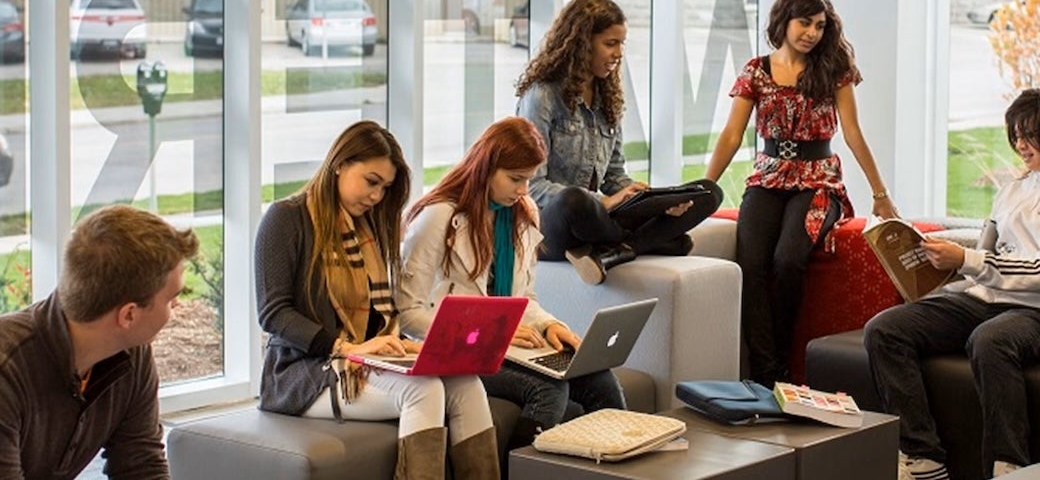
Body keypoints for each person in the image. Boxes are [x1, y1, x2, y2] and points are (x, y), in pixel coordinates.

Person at [863, 87, 1040, 480]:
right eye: (1015, 136)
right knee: (886, 329)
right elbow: (986, 251)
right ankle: (923, 456)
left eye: (1029, 135)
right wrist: (937, 263)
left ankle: (1008, 465)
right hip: (984, 297)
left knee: (991, 339)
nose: (1020, 145)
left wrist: (968, 260)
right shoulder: (1015, 188)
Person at [255, 120, 499, 480]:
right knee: (424, 391)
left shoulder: (368, 228)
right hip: (304, 372)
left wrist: (397, 346)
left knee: (467, 384)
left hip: (363, 360)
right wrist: (345, 348)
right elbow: (274, 314)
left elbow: (378, 320)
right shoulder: (286, 218)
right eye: (372, 182)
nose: (376, 196)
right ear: (340, 163)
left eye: (384, 188)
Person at [704, 0, 899, 388]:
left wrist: (880, 195)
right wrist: (703, 190)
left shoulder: (834, 69)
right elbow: (731, 135)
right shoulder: (756, 70)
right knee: (751, 264)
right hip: (767, 177)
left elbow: (853, 133)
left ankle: (779, 359)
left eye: (820, 25)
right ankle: (765, 372)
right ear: (784, 21)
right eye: (804, 23)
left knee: (788, 260)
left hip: (818, 182)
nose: (812, 33)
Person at [398, 116, 626, 458]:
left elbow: (524, 299)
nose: (523, 190)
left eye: (529, 179)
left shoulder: (522, 214)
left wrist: (550, 325)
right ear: (486, 167)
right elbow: (407, 314)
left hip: (503, 344)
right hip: (453, 348)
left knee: (600, 380)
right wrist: (491, 333)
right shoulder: (438, 216)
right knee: (549, 388)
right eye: (515, 179)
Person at [514, 0, 723, 285]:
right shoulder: (543, 96)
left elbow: (614, 175)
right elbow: (531, 187)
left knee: (708, 192)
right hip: (553, 222)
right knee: (573, 199)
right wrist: (605, 202)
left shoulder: (607, 98)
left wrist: (647, 199)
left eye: (621, 44)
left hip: (600, 220)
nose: (619, 53)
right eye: (610, 43)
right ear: (582, 44)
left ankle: (619, 249)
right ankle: (647, 241)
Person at [0, 204, 198, 479]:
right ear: (128, 314)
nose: (177, 304)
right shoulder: (7, 370)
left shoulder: (131, 353)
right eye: (171, 297)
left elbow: (140, 466)